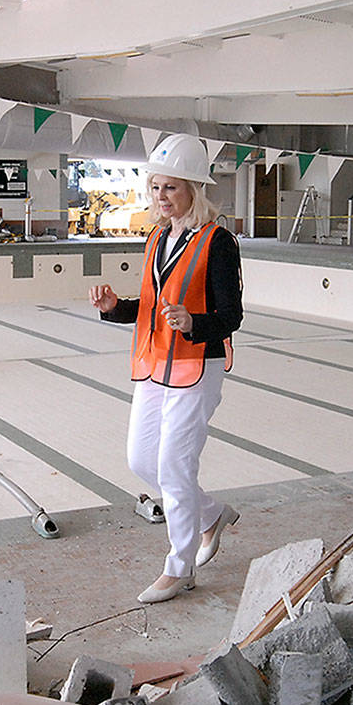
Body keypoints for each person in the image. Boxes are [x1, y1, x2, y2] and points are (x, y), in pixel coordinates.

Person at [89, 133, 244, 604]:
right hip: (155, 361)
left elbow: (231, 315)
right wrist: (116, 308)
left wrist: (194, 322)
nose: (161, 196)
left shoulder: (218, 242)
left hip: (198, 365)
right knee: (141, 460)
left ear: (193, 189)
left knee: (175, 467)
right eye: (156, 187)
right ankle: (210, 514)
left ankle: (180, 568)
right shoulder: (158, 237)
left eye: (171, 187)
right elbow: (151, 306)